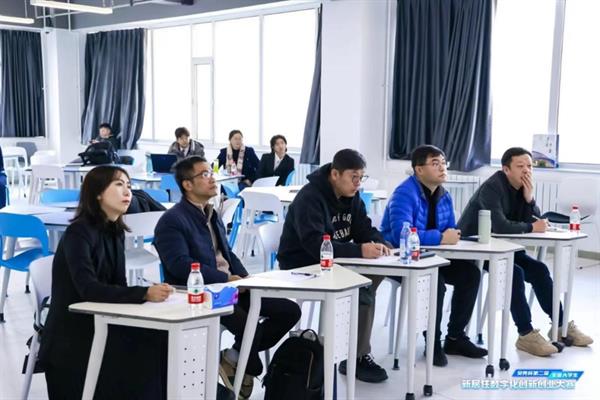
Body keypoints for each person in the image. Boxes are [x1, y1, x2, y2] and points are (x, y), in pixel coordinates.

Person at [153, 156, 301, 399]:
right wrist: (225, 280)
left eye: (211, 173)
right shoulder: (172, 221)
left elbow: (227, 254)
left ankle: (233, 357)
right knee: (248, 324)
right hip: (202, 293)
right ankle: (245, 362)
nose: (212, 179)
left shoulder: (211, 214)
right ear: (187, 184)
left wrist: (244, 278)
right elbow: (179, 265)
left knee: (289, 311)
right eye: (204, 175)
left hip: (230, 287)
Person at [38, 166, 173, 399]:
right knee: (149, 348)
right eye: (119, 185)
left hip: (102, 318)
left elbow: (117, 284)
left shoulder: (115, 231)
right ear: (98, 193)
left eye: (129, 185)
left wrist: (148, 298)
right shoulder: (78, 233)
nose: (128, 192)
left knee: (162, 338)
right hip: (73, 331)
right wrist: (143, 293)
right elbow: (88, 289)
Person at [458, 147, 593, 356]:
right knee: (515, 272)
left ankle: (560, 326)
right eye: (520, 166)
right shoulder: (492, 187)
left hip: (502, 246)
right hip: (477, 247)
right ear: (506, 169)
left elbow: (534, 219)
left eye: (529, 166)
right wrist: (531, 227)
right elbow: (501, 225)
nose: (526, 170)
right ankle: (526, 334)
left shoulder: (523, 187)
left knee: (539, 269)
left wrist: (529, 199)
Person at [277, 149, 390, 383]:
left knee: (372, 277)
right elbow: (314, 244)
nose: (358, 183)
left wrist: (379, 243)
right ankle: (356, 356)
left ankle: (354, 350)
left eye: (361, 178)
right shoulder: (310, 198)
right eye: (353, 177)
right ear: (335, 174)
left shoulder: (352, 196)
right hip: (302, 265)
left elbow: (364, 229)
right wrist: (359, 251)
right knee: (363, 286)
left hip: (333, 262)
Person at [380, 145, 487, 367]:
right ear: (419, 170)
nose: (442, 168)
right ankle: (433, 342)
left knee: (471, 274)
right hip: (401, 259)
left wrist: (451, 237)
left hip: (430, 256)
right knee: (434, 281)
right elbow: (401, 234)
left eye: (443, 163)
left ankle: (455, 338)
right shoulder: (404, 193)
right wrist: (441, 238)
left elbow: (450, 232)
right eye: (435, 163)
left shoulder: (444, 196)